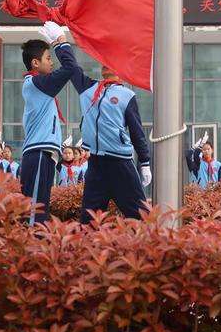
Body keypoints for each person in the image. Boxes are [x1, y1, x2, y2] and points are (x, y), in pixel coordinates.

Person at [62, 47, 152, 224]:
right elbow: (72, 67)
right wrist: (60, 43)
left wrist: (145, 162)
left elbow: (136, 132)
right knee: (89, 220)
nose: (105, 65)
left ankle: (148, 250)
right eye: (104, 62)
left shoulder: (127, 95)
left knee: (140, 217)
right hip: (96, 165)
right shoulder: (88, 88)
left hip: (121, 165)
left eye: (111, 62)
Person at [20, 21, 75, 226]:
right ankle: (33, 252)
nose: (52, 63)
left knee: (39, 210)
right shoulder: (36, 84)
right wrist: (60, 40)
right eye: (48, 58)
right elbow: (70, 67)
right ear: (35, 63)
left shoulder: (37, 85)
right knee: (35, 213)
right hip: (39, 154)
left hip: (42, 155)